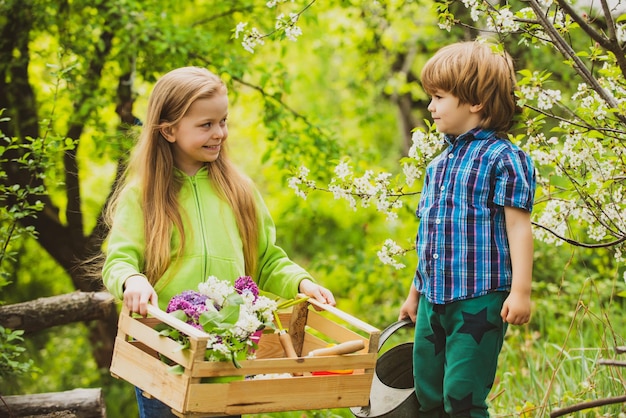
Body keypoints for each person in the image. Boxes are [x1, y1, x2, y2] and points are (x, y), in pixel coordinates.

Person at [102, 66, 336, 418]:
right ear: (168, 130)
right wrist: (131, 280)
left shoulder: (239, 191)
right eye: (206, 125)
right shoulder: (143, 196)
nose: (220, 133)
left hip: (226, 356)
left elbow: (268, 259)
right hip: (165, 355)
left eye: (223, 121)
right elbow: (118, 261)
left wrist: (301, 282)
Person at [398, 41, 536, 417]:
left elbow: (518, 227)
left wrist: (521, 290)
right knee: (426, 391)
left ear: (474, 102)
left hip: (479, 299)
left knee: (461, 395)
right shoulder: (437, 166)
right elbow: (430, 236)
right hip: (433, 300)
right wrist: (415, 293)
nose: (430, 107)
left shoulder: (505, 160)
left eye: (439, 97)